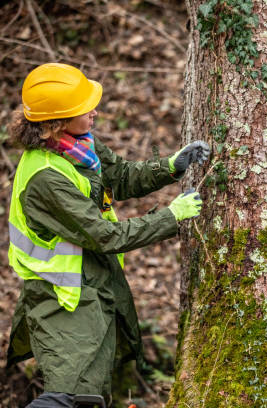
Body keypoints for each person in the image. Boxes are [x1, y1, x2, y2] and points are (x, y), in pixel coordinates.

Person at [6, 63, 211, 407]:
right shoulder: (46, 178)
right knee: (69, 399)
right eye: (85, 109)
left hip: (93, 287)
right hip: (62, 300)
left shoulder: (77, 146)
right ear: (56, 122)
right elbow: (105, 236)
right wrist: (170, 217)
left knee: (90, 397)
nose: (94, 112)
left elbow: (119, 176)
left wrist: (172, 166)